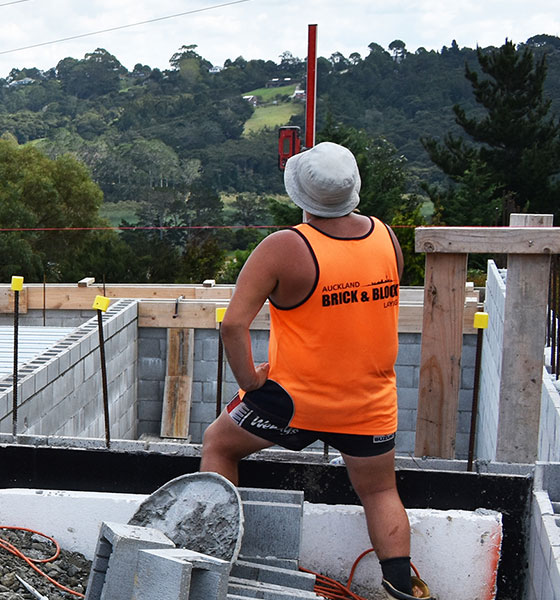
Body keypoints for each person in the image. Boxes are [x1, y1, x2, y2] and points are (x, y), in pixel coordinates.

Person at [200, 142, 433, 600]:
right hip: (368, 404)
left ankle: (212, 557)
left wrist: (250, 383)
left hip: (292, 401)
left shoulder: (286, 246)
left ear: (301, 195)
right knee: (381, 492)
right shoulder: (386, 236)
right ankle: (404, 588)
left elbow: (232, 325)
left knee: (218, 444)